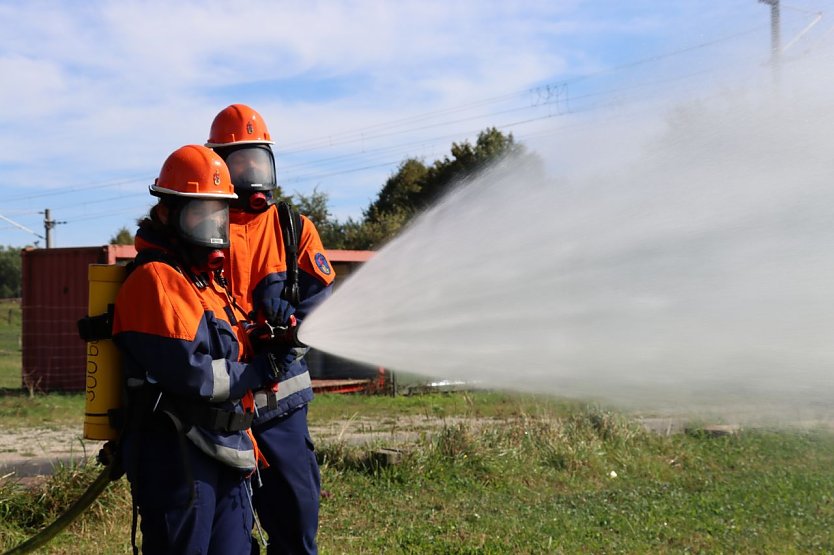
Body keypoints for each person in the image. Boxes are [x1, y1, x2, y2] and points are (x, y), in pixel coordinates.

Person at [112, 144, 286, 554]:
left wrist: (263, 342)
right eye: (199, 216)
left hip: (224, 450)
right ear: (166, 215)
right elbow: (198, 376)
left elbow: (228, 349)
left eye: (218, 216)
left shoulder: (207, 282)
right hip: (177, 457)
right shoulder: (156, 279)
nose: (212, 231)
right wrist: (261, 368)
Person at [206, 104, 335, 554]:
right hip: (218, 408)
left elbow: (321, 300)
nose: (251, 174)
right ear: (219, 166)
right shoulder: (201, 225)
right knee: (227, 531)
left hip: (281, 405)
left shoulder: (293, 228)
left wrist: (292, 330)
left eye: (257, 161)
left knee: (297, 518)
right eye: (239, 163)